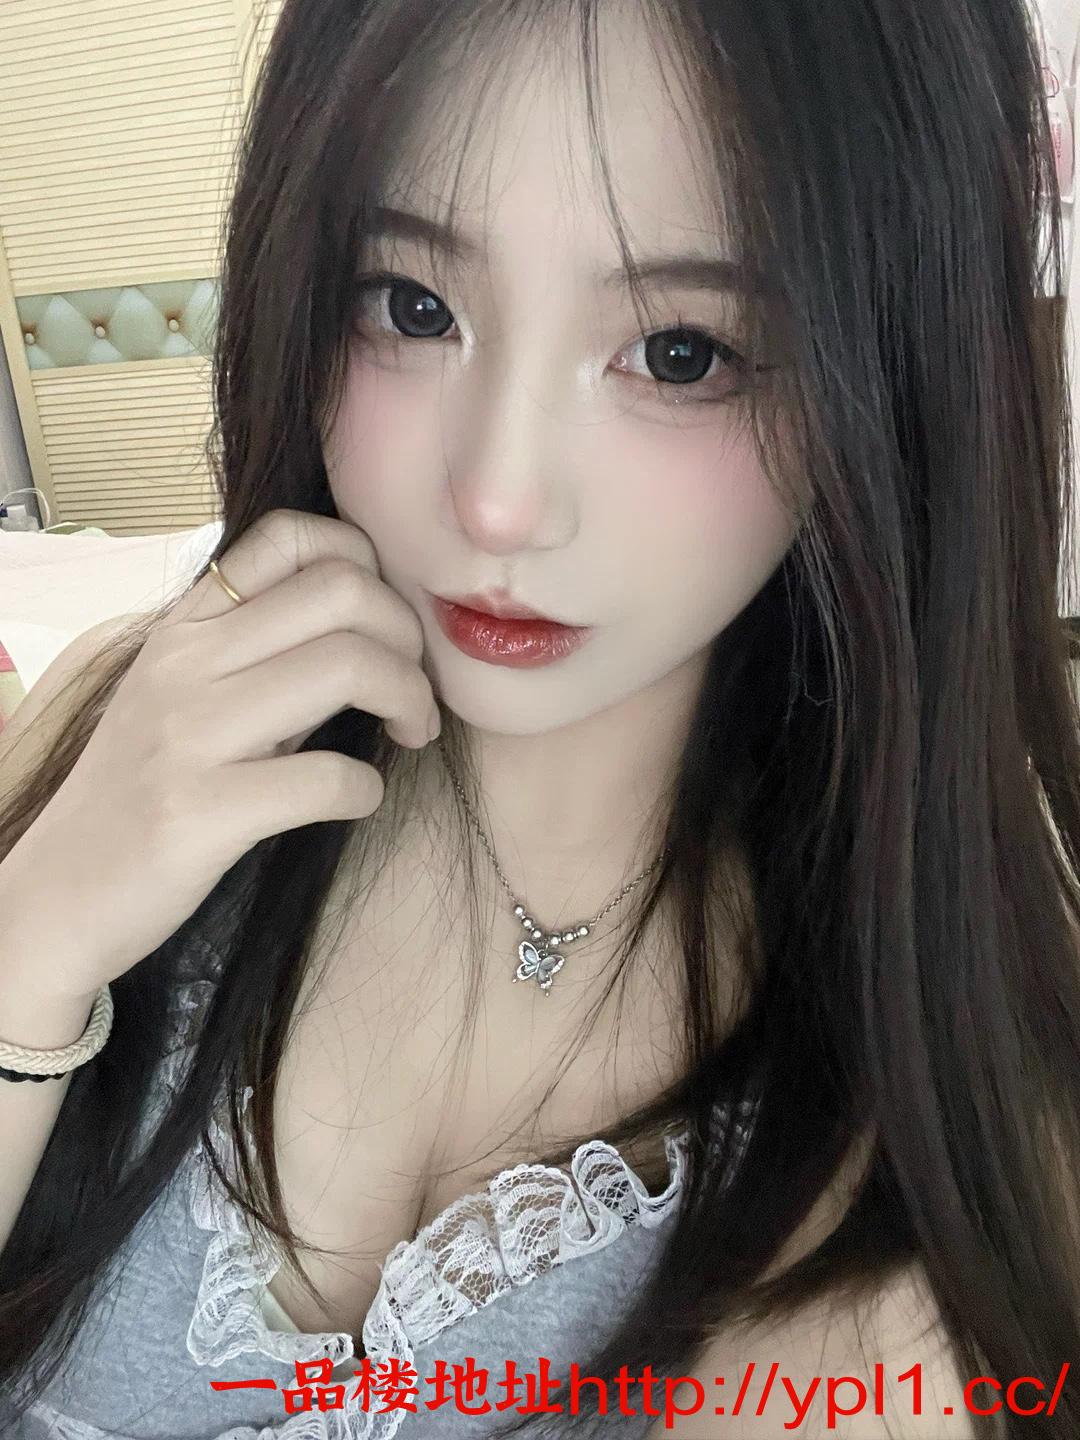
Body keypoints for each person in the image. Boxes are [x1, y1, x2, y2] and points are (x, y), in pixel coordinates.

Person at [0, 0, 1077, 1435]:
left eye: (683, 352)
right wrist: (31, 953)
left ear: (891, 385)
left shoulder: (933, 1078)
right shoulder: (121, 738)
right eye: (411, 305)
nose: (497, 499)